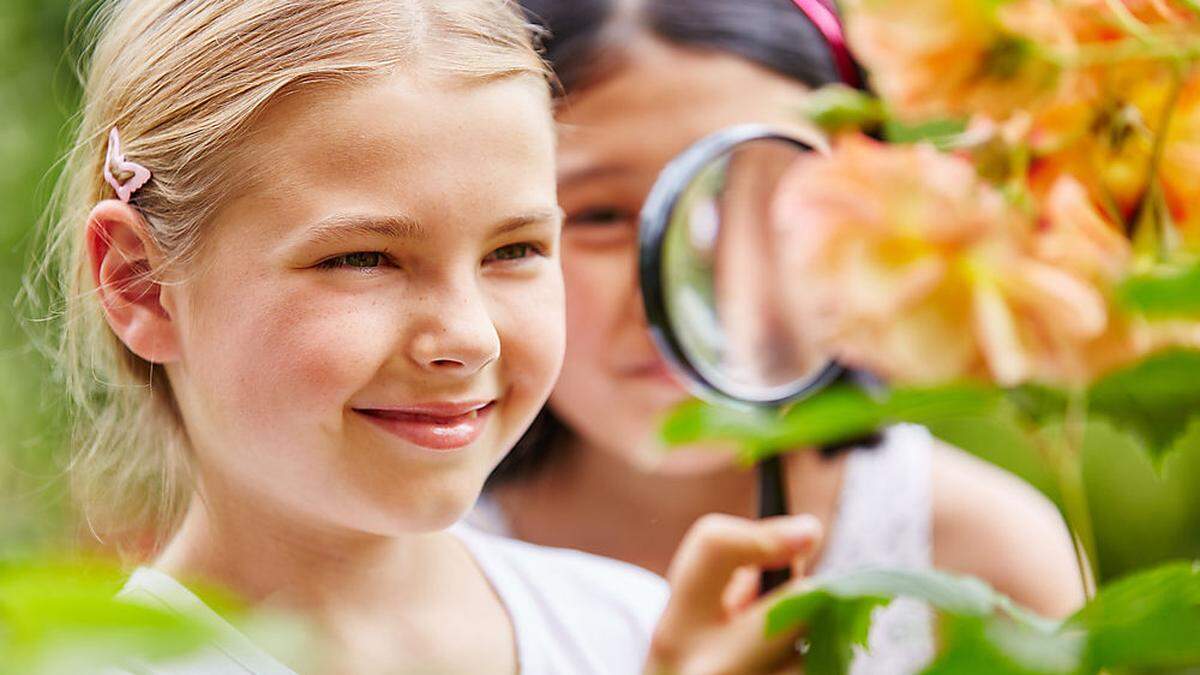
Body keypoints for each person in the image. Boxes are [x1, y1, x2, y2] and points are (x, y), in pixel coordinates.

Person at [39, 1, 827, 673]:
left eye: (514, 250)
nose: (468, 336)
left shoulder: (631, 629)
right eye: (363, 259)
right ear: (141, 284)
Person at [479, 0, 1085, 669]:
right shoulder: (408, 552)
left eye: (769, 203)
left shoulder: (990, 556)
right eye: (599, 215)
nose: (692, 283)